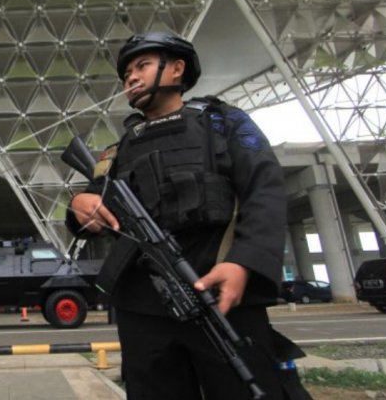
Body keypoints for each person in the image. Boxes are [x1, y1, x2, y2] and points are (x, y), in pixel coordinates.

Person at [67, 32, 312, 399]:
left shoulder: (223, 124)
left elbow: (265, 191)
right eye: (126, 73)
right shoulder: (117, 151)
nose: (130, 78)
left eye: (142, 65)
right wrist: (78, 208)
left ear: (177, 68)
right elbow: (92, 204)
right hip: (143, 310)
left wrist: (243, 263)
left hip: (220, 296)